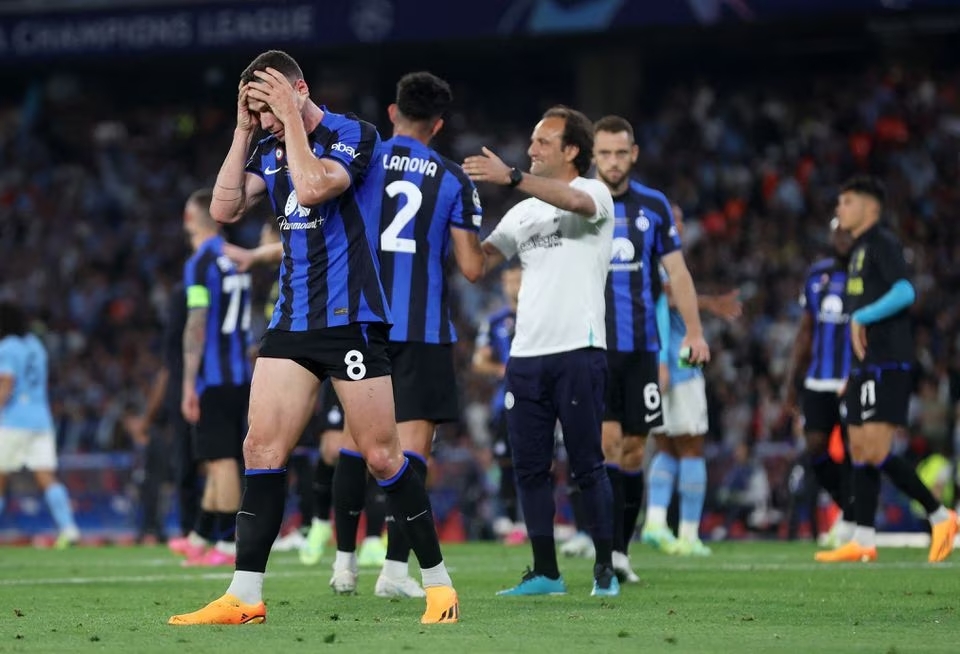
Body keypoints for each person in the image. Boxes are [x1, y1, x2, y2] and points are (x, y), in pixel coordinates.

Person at [169, 50, 458, 625]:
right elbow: (224, 207)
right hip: (292, 322)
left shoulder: (354, 133)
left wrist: (291, 120)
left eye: (270, 104)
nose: (267, 120)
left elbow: (314, 186)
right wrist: (243, 129)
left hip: (350, 320)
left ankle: (440, 587)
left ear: (299, 89)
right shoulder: (267, 144)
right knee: (261, 449)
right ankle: (245, 596)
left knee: (381, 456)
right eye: (257, 109)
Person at [469, 105, 688, 597]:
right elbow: (477, 264)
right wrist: (455, 220)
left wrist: (512, 176)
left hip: (579, 350)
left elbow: (574, 201)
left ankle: (605, 568)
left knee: (589, 463)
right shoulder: (522, 211)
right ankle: (545, 571)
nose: (530, 150)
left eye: (542, 142)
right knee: (529, 466)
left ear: (571, 150)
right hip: (525, 356)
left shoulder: (595, 193)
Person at [328, 71, 485, 599]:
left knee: (355, 442)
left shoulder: (363, 158)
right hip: (420, 329)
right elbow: (471, 268)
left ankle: (344, 565)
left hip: (360, 321)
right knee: (409, 452)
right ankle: (394, 573)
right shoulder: (452, 179)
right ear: (438, 125)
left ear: (393, 113)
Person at [587, 115, 710, 577]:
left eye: (621, 153)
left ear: (633, 154)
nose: (613, 162)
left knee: (636, 449)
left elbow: (677, 274)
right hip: (595, 346)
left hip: (642, 346)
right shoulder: (580, 199)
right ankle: (608, 551)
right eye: (604, 153)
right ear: (592, 155)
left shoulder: (654, 206)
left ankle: (622, 551)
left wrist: (695, 332)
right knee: (608, 444)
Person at [817, 175, 957, 563]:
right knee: (859, 448)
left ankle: (941, 515)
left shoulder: (882, 242)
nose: (839, 209)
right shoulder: (859, 250)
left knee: (876, 450)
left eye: (847, 202)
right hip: (866, 365)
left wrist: (863, 314)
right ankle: (863, 538)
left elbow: (905, 291)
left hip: (889, 361)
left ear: (870, 207)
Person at [165, 189, 253, 567]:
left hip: (214, 379)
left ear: (189, 219)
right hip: (239, 374)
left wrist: (187, 385)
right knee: (222, 459)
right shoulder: (235, 258)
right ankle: (204, 535)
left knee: (222, 461)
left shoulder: (200, 263)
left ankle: (229, 544)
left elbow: (196, 325)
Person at [642, 203, 730, 556]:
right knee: (691, 445)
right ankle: (689, 535)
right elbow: (666, 298)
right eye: (675, 219)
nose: (679, 225)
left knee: (665, 446)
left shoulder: (644, 256)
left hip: (652, 364)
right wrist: (708, 304)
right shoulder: (664, 258)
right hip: (677, 363)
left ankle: (656, 523)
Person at [781, 218, 854, 546]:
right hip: (818, 379)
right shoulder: (816, 275)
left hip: (852, 378)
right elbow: (805, 330)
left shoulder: (866, 276)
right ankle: (849, 508)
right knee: (815, 448)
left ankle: (853, 521)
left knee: (856, 450)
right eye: (837, 232)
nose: (841, 238)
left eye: (847, 233)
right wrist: (790, 380)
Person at [125, 281, 201, 544]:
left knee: (184, 470)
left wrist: (146, 421)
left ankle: (187, 530)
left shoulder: (175, 341)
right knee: (208, 465)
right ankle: (210, 530)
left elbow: (166, 377)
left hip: (177, 416)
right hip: (195, 405)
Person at [0, 302, 80, 549]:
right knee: (46, 476)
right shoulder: (36, 346)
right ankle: (69, 528)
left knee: (1, 478)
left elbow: (6, 383)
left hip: (14, 419)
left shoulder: (7, 347)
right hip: (41, 420)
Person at [472, 263, 522, 543]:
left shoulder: (540, 317)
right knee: (505, 459)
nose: (514, 285)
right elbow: (479, 361)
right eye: (508, 280)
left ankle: (534, 520)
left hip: (540, 400)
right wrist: (501, 370)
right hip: (504, 402)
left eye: (518, 279)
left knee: (543, 462)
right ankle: (511, 520)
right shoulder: (494, 321)